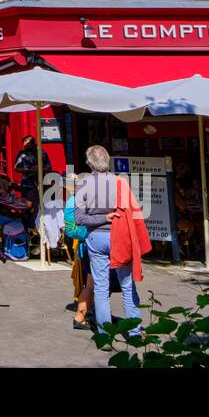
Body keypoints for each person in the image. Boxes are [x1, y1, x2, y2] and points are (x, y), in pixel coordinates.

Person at [75, 144, 141, 339]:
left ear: (89, 163)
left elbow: (78, 218)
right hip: (121, 235)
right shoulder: (121, 182)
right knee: (127, 284)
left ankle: (105, 335)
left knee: (101, 287)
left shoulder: (84, 184)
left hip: (96, 237)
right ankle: (135, 332)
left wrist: (102, 218)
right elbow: (132, 212)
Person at [64, 175, 93, 331]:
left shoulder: (81, 200)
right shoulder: (74, 202)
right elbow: (70, 230)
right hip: (85, 247)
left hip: (88, 246)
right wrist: (91, 233)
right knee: (89, 283)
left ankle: (88, 312)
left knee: (91, 284)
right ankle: (81, 316)